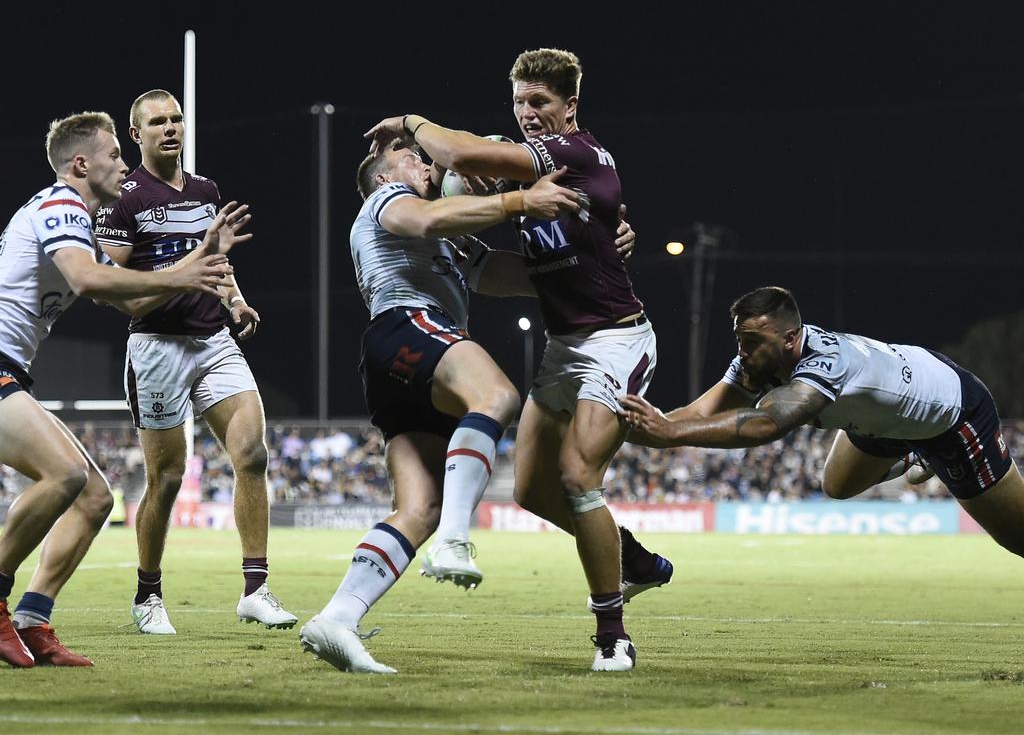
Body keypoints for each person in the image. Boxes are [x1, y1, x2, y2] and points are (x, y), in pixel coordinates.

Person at [364, 48, 666, 671]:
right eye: (520, 103)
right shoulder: (534, 179)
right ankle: (630, 555)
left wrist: (411, 122)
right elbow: (500, 253)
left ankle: (613, 637)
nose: (528, 114)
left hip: (616, 338)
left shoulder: (574, 154)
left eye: (540, 103)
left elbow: (465, 155)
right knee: (530, 490)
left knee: (578, 479)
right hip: (564, 346)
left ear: (570, 108)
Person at [299, 139, 581, 673]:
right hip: (408, 324)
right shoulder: (387, 202)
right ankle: (455, 540)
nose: (427, 164)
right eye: (412, 159)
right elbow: (425, 220)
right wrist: (519, 202)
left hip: (397, 366)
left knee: (418, 508)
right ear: (385, 178)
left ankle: (337, 617)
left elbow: (521, 276)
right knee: (497, 395)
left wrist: (591, 255)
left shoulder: (451, 238)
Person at [0, 111, 241, 667]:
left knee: (93, 496)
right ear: (81, 164)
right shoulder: (61, 204)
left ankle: (33, 619)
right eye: (114, 155)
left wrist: (199, 258)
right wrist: (182, 275)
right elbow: (87, 280)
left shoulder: (78, 221)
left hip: (10, 368)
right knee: (63, 475)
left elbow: (132, 299)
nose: (125, 165)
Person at [619, 286, 1024, 561]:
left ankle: (924, 448)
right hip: (885, 421)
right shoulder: (755, 360)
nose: (743, 352)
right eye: (740, 339)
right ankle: (914, 450)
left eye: (753, 342)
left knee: (1016, 538)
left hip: (953, 413)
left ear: (791, 339)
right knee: (837, 486)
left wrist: (670, 433)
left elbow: (769, 424)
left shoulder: (826, 363)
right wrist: (645, 428)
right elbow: (699, 414)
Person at [94, 90, 296, 635]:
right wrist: (194, 259)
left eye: (176, 119)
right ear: (136, 135)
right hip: (157, 345)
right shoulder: (122, 197)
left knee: (252, 454)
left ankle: (256, 589)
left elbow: (218, 260)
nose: (169, 128)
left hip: (212, 340)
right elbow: (123, 295)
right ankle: (148, 594)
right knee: (166, 477)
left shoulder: (206, 189)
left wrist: (235, 300)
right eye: (156, 122)